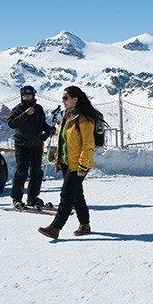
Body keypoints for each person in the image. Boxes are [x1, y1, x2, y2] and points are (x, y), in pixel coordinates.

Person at [38, 86, 105, 239]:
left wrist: (83, 165)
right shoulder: (67, 116)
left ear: (75, 99)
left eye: (65, 98)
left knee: (67, 194)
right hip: (66, 162)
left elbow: (88, 144)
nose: (63, 101)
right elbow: (64, 139)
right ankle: (85, 224)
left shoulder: (85, 119)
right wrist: (58, 157)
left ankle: (55, 227)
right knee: (76, 194)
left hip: (79, 163)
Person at [7, 85, 55, 210]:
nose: (26, 97)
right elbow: (11, 123)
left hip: (36, 145)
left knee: (36, 172)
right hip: (22, 145)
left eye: (28, 95)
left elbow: (42, 124)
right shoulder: (18, 109)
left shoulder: (38, 109)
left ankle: (32, 198)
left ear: (33, 95)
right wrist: (25, 114)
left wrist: (49, 129)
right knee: (22, 172)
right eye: (24, 95)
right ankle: (16, 199)